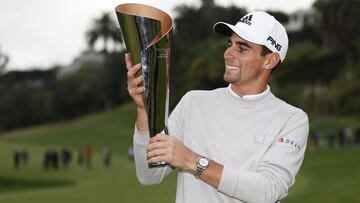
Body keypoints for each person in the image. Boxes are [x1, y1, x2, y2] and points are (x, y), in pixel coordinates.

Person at [126, 11, 309, 203]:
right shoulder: (193, 103)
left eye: (242, 48)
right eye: (230, 44)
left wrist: (192, 161)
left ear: (270, 60)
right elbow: (149, 175)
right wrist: (143, 109)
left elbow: (268, 190)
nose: (228, 54)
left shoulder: (291, 119)